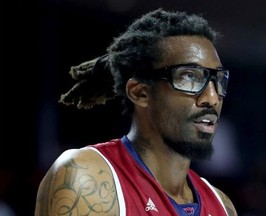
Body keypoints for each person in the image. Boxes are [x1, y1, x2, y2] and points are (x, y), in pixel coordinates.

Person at [34, 8, 238, 216]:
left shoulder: (222, 205)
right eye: (189, 77)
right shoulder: (86, 179)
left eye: (217, 81)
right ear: (140, 93)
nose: (212, 98)